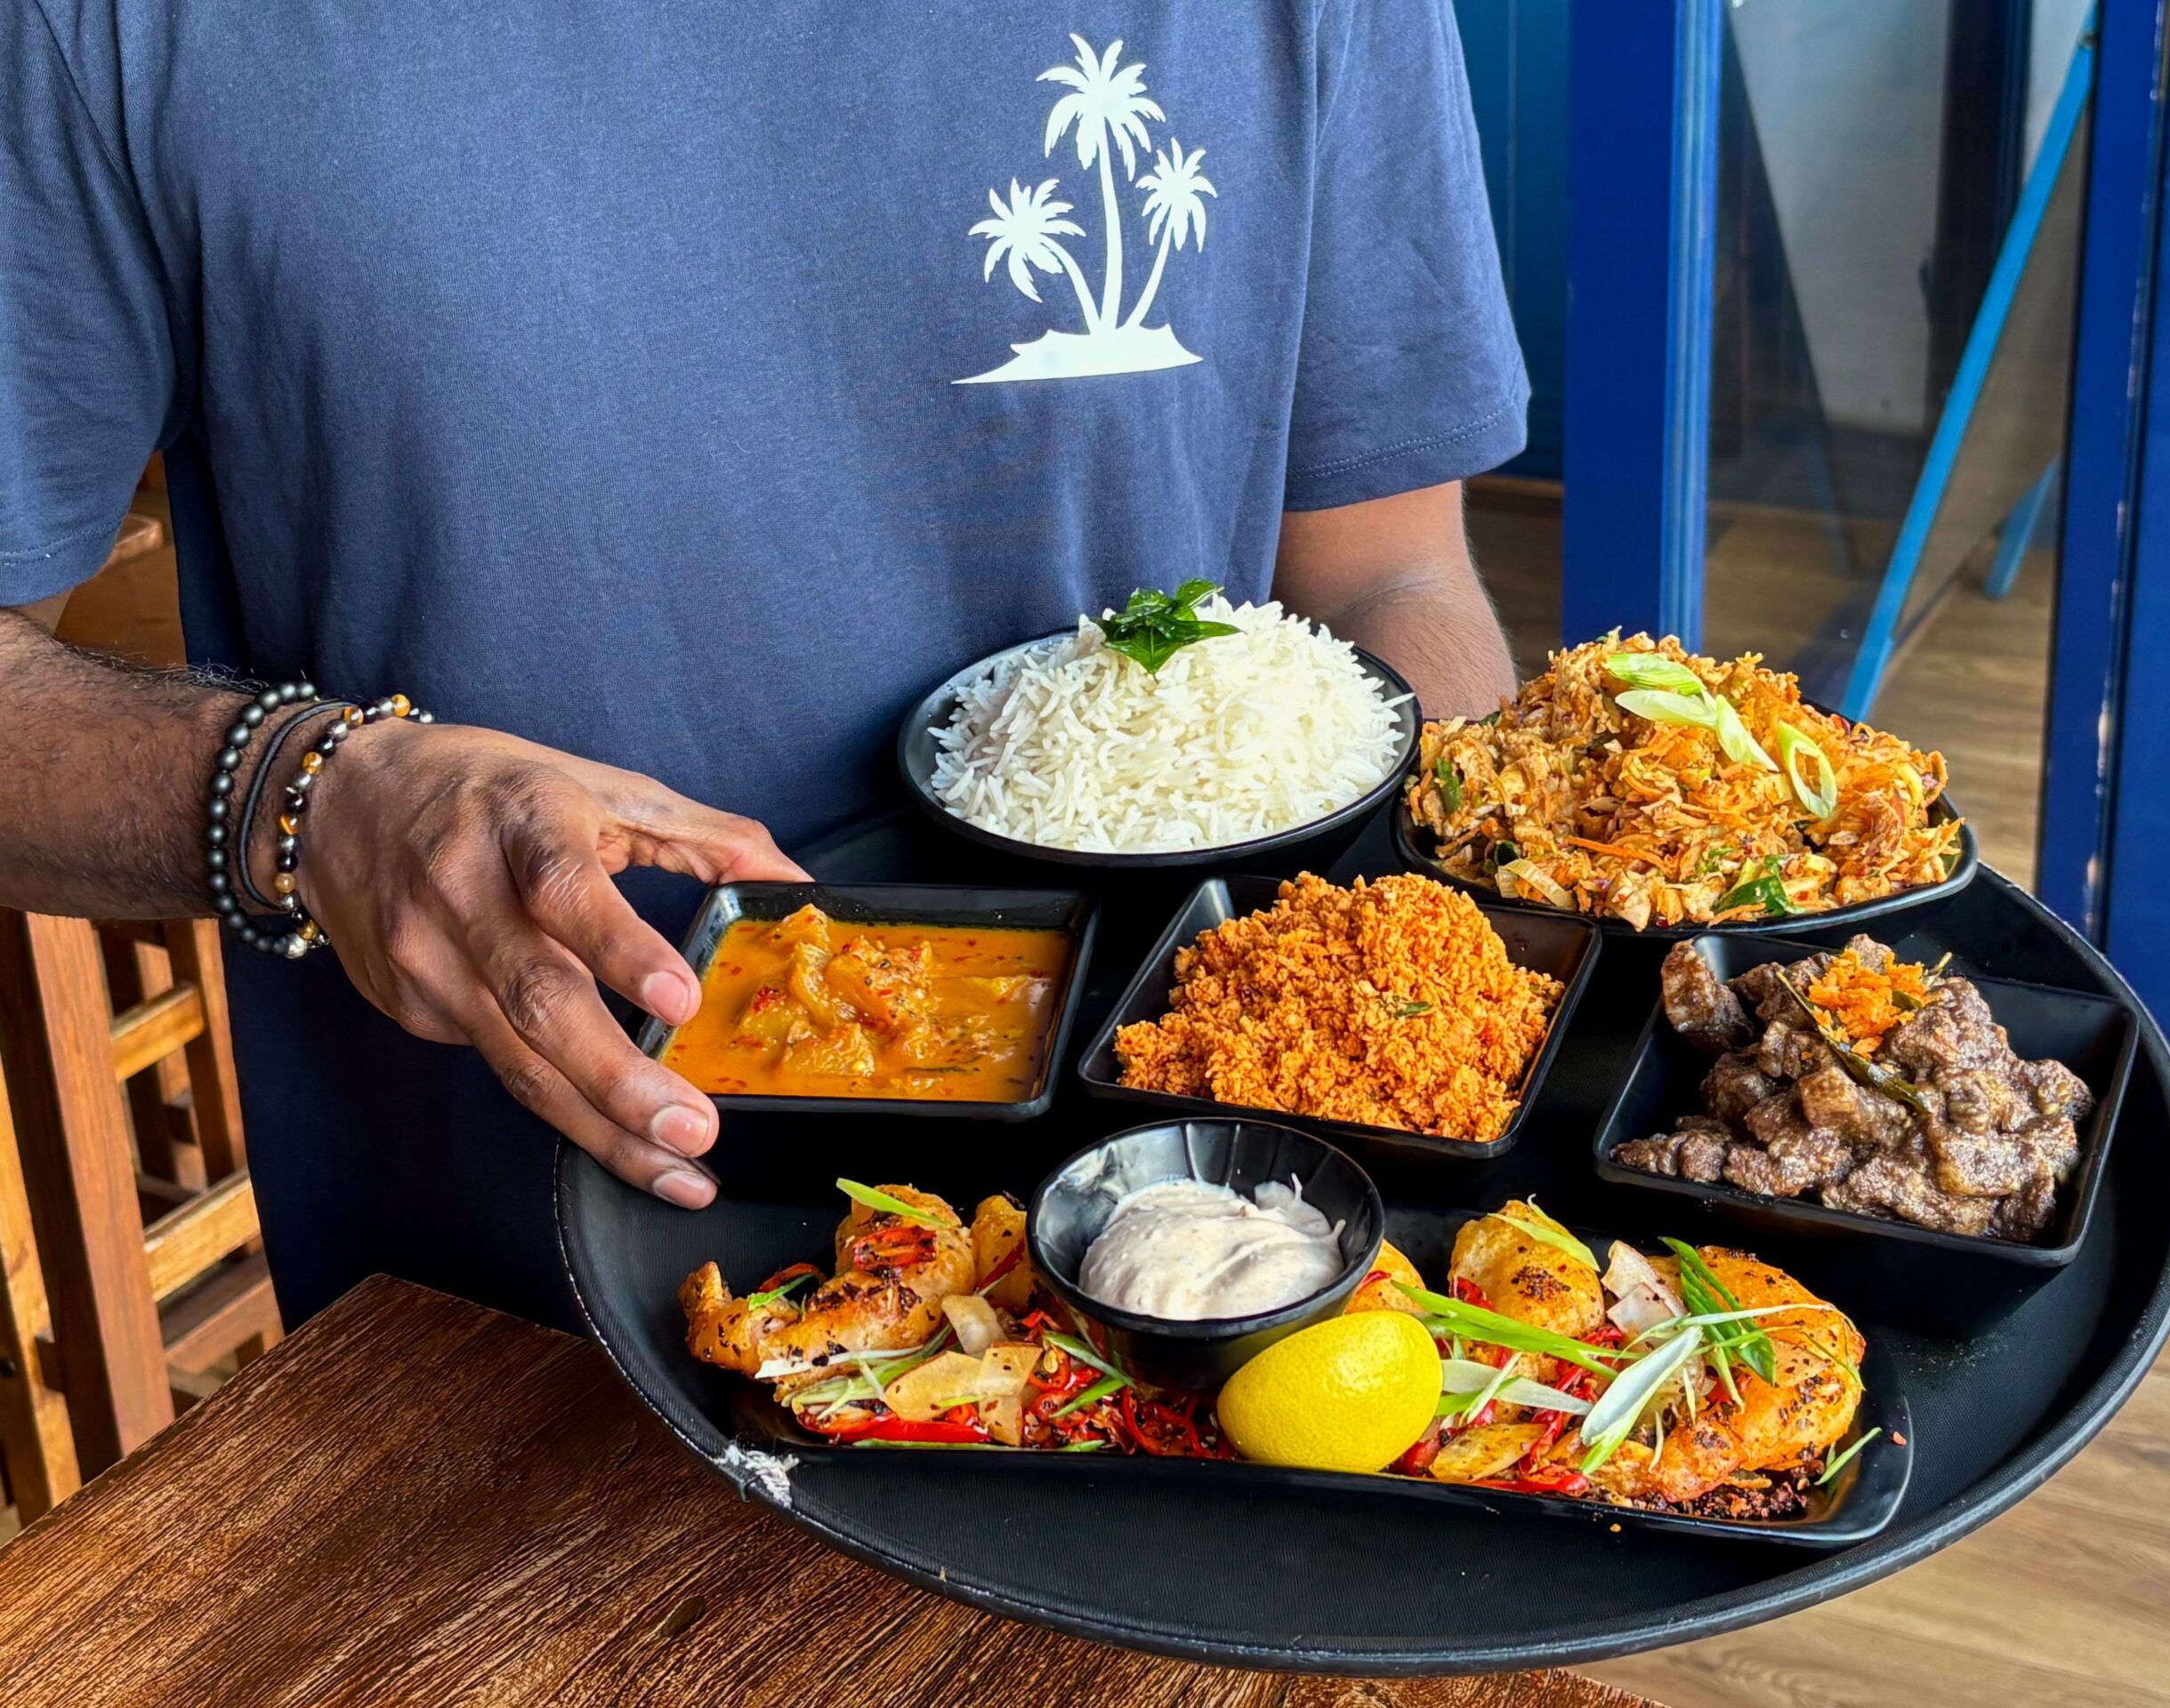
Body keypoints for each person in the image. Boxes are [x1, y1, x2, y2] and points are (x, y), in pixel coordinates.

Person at [0, 3, 1526, 1330]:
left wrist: (1464, 1071)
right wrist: (308, 792)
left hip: (1216, 1299)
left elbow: (1389, 579)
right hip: (498, 1361)